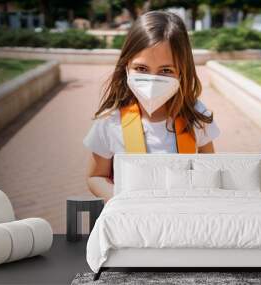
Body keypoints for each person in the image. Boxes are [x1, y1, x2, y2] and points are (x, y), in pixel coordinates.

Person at [83, 11, 221, 202]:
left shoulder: (196, 115)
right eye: (141, 69)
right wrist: (120, 200)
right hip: (132, 221)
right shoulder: (110, 121)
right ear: (126, 66)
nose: (153, 81)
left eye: (166, 70)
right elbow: (95, 176)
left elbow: (210, 170)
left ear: (183, 70)